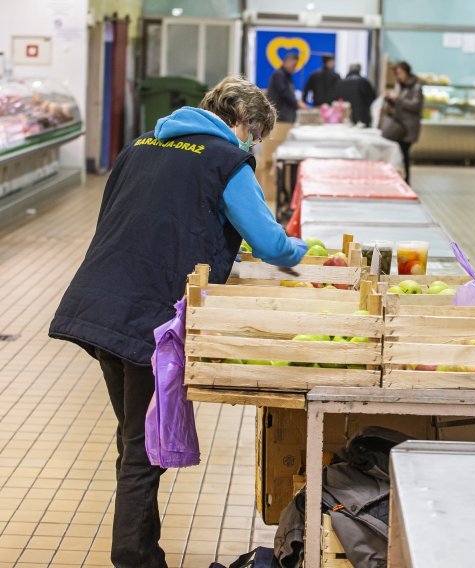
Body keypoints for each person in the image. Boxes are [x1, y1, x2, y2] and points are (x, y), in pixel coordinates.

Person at [49, 76, 308, 568]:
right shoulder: (226, 158)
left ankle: (143, 551)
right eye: (256, 136)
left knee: (134, 439)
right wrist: (303, 250)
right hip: (150, 316)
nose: (253, 145)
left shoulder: (139, 146)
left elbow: (140, 217)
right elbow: (273, 244)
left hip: (102, 301)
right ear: (244, 125)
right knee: (141, 448)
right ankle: (133, 557)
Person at [383, 61, 422, 183]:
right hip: (398, 125)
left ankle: (406, 181)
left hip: (409, 127)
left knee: (404, 155)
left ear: (406, 72)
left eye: (399, 73)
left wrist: (398, 99)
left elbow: (416, 105)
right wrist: (390, 99)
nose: (398, 76)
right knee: (398, 154)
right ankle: (401, 179)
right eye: (396, 73)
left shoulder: (416, 86)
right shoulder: (399, 85)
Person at [268, 52, 306, 124]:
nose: (295, 68)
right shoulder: (278, 75)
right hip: (279, 116)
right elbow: (284, 92)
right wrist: (297, 103)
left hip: (286, 116)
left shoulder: (288, 77)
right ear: (287, 62)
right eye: (294, 65)